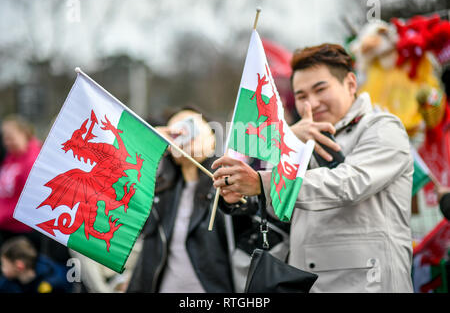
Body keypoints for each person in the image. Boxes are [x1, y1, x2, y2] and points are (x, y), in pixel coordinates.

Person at [213, 43, 414, 292]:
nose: (312, 103)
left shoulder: (383, 127)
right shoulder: (298, 139)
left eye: (321, 89)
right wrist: (241, 197)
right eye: (301, 96)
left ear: (351, 84)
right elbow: (280, 209)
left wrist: (264, 182)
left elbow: (349, 183)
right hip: (308, 282)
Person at [126, 108, 234, 293]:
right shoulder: (157, 193)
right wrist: (145, 142)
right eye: (175, 132)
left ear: (213, 139)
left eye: (192, 128)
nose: (184, 136)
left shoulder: (228, 189)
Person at [0, 115, 41, 248]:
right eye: (5, 138)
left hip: (23, 231)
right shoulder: (11, 158)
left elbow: (31, 200)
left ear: (24, 134)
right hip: (7, 227)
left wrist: (2, 215)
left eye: (10, 137)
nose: (6, 142)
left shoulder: (32, 161)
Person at [0, 236, 72, 293]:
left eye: (4, 265)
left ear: (19, 266)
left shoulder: (51, 280)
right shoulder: (6, 284)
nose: (2, 268)